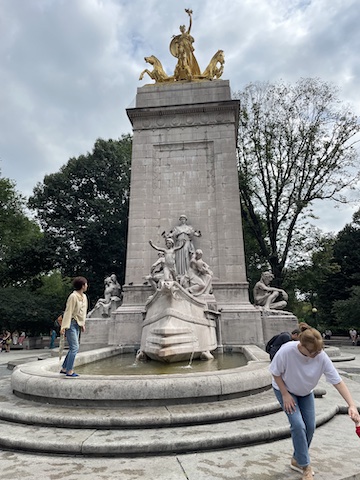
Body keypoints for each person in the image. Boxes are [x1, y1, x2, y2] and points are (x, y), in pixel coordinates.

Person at [269, 323, 359, 479]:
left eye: (319, 351)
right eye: (312, 352)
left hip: (305, 392)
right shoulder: (287, 350)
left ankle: (297, 459)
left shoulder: (320, 355)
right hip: (285, 390)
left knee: (310, 426)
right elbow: (275, 372)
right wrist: (285, 394)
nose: (317, 355)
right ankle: (305, 466)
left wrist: (351, 405)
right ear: (301, 346)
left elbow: (337, 381)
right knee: (298, 425)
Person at [60, 276, 88, 377]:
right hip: (71, 323)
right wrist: (64, 326)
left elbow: (83, 312)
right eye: (86, 284)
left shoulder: (84, 297)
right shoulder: (73, 296)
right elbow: (68, 311)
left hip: (77, 324)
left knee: (73, 347)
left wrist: (82, 323)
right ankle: (69, 370)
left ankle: (64, 368)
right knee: (75, 347)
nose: (87, 286)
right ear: (82, 286)